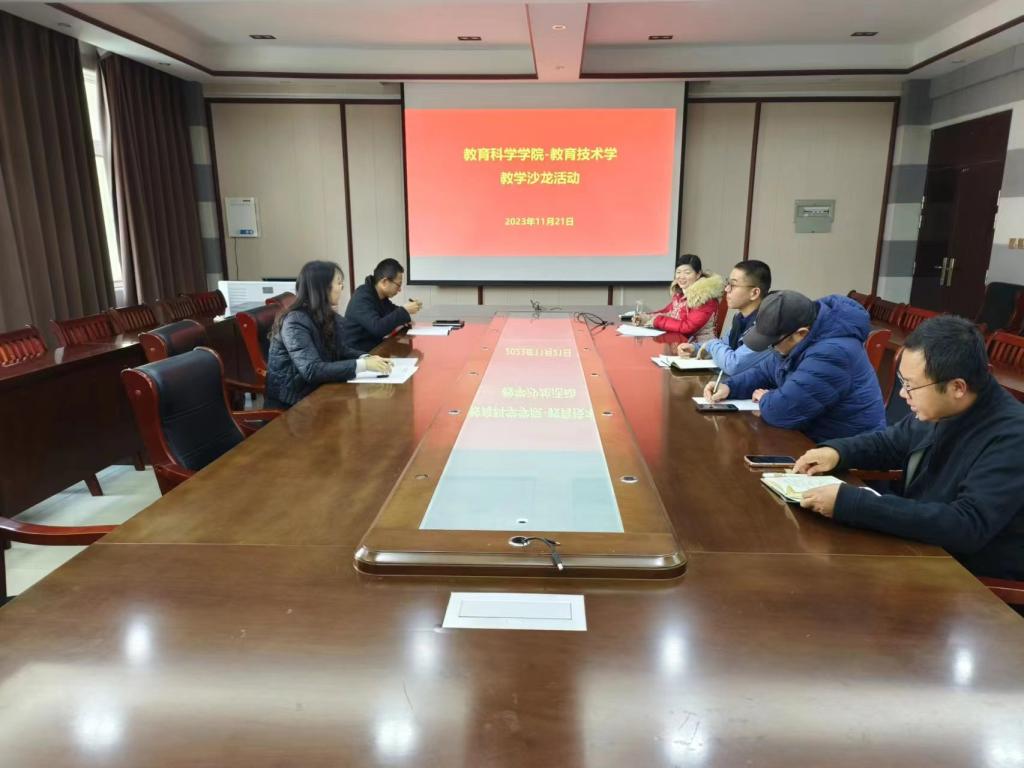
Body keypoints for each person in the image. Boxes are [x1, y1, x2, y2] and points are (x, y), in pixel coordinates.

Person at [795, 316, 1024, 583]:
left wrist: (854, 504)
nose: (903, 394)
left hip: (967, 578)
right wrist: (837, 452)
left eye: (911, 385)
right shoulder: (942, 409)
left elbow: (966, 526)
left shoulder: (1012, 435)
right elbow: (890, 443)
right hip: (919, 546)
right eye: (902, 381)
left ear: (957, 387)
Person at [703, 290, 885, 442]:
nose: (771, 348)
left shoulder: (832, 353)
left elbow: (783, 412)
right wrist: (730, 387)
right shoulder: (800, 339)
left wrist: (767, 397)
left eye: (773, 343)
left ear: (800, 333)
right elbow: (765, 371)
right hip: (810, 439)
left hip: (845, 453)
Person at [265, 261, 391, 408]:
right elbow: (312, 370)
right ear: (323, 287)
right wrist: (363, 365)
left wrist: (366, 357)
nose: (342, 287)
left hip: (318, 391)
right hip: (293, 403)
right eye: (338, 283)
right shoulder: (294, 322)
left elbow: (340, 350)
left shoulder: (325, 315)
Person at [677, 259, 772, 375]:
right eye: (728, 283)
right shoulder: (740, 318)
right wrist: (695, 348)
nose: (726, 289)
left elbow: (733, 364)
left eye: (733, 285)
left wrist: (710, 345)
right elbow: (723, 343)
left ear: (755, 293)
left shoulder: (767, 324)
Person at [634, 254, 724, 342]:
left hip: (701, 347)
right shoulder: (680, 294)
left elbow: (688, 327)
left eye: (687, 273)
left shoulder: (705, 298)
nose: (681, 276)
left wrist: (656, 321)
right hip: (681, 343)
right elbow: (667, 312)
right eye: (678, 272)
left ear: (698, 274)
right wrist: (646, 318)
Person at [344, 258, 422, 352]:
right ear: (385, 282)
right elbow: (378, 328)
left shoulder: (380, 296)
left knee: (407, 350)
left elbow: (393, 311)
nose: (399, 290)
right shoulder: (362, 297)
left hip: (374, 350)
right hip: (357, 354)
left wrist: (406, 314)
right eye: (398, 285)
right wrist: (404, 311)